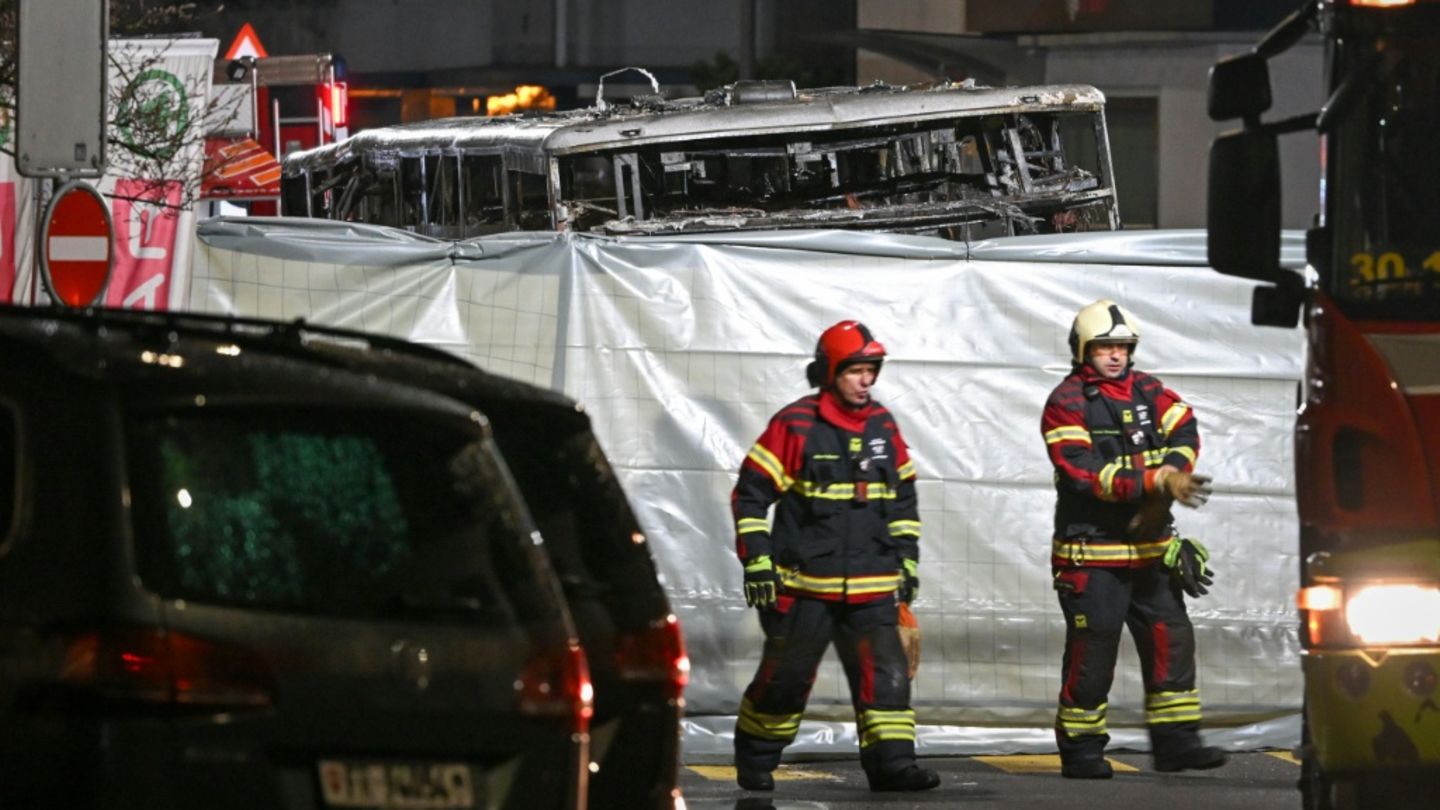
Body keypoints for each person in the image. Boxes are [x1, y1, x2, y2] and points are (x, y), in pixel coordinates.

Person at [730, 320, 940, 793]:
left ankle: (893, 765)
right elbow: (750, 495)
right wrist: (757, 560)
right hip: (804, 587)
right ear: (829, 372)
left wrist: (907, 561)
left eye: (872, 370)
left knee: (887, 678)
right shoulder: (795, 425)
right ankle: (755, 757)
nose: (866, 380)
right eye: (855, 371)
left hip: (872, 585)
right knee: (786, 681)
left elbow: (902, 500)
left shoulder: (883, 425)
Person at [1041, 299, 1225, 779]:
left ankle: (1177, 743)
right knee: (1093, 652)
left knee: (1172, 639)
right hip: (1091, 556)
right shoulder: (1066, 402)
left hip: (1150, 552)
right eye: (1105, 347)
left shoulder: (1149, 390)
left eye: (1123, 346)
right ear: (1083, 350)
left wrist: (1171, 479)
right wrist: (1158, 483)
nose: (1116, 355)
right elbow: (1084, 473)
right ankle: (1081, 751)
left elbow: (1183, 427)